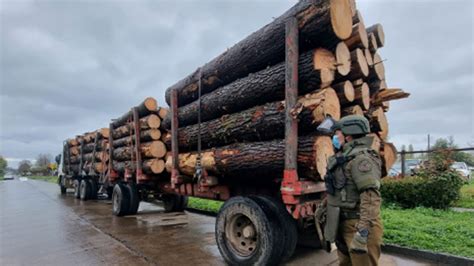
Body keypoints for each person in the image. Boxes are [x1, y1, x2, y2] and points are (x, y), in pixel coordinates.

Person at [323, 115, 383, 266]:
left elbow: (370, 197)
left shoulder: (362, 160)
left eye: (337, 133)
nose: (335, 137)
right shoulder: (346, 158)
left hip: (358, 225)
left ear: (348, 135)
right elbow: (341, 188)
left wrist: (363, 232)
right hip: (343, 223)